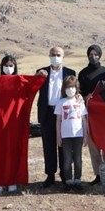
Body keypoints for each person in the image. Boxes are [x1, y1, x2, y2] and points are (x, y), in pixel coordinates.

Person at [36, 47, 76, 189]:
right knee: (48, 144)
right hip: (47, 112)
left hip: (64, 113)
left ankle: (65, 175)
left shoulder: (70, 73)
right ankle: (50, 175)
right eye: (53, 55)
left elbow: (75, 91)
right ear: (49, 56)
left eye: (58, 55)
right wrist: (38, 76)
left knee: (64, 145)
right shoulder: (42, 72)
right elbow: (33, 87)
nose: (55, 57)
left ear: (63, 56)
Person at [78, 45, 105, 187]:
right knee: (93, 146)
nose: (93, 56)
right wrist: (85, 96)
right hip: (89, 113)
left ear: (100, 55)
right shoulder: (82, 73)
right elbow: (78, 93)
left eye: (96, 54)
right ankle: (98, 175)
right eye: (90, 54)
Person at [55, 76, 89, 193]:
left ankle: (78, 180)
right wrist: (58, 136)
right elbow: (58, 121)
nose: (71, 90)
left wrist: (86, 135)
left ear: (77, 88)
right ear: (64, 89)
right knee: (67, 160)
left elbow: (84, 120)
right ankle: (68, 181)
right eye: (68, 87)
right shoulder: (60, 102)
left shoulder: (80, 101)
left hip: (78, 135)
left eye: (73, 87)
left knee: (78, 159)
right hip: (65, 136)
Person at [0, 54, 20, 194]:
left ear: (15, 67)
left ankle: (12, 180)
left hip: (14, 121)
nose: (8, 68)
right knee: (0, 152)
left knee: (13, 151)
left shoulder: (19, 81)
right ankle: (0, 180)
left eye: (11, 66)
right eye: (5, 65)